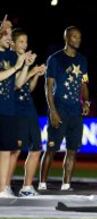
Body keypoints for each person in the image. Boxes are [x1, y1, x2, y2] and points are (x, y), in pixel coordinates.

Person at [38, 26, 90, 191]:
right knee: (51, 149)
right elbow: (48, 87)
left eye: (79, 37)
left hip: (76, 113)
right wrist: (52, 111)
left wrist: (87, 102)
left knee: (72, 150)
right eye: (74, 37)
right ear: (67, 38)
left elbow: (84, 83)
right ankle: (42, 184)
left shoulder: (82, 60)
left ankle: (66, 184)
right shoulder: (55, 59)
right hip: (59, 110)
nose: (78, 40)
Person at [5, 28, 46, 196]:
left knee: (36, 148)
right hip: (16, 110)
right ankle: (5, 185)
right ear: (13, 43)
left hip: (29, 108)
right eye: (21, 41)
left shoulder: (23, 60)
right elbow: (16, 84)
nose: (25, 45)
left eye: (26, 42)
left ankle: (27, 187)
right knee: (14, 150)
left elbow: (28, 88)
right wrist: (30, 70)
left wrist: (35, 74)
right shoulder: (10, 60)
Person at [0, 15, 35, 197]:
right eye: (6, 34)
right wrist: (15, 67)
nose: (9, 37)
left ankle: (3, 188)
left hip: (8, 109)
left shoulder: (11, 56)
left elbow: (18, 84)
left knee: (7, 150)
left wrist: (26, 66)